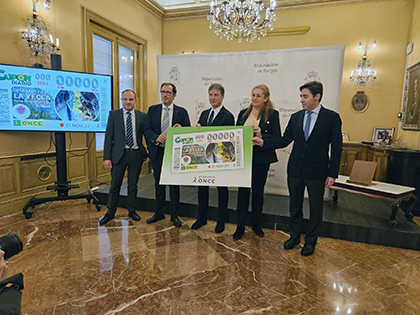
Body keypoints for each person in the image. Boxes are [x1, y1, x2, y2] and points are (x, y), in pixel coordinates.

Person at [252, 81, 342, 256]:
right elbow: (284, 140)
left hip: (317, 171)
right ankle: (294, 237)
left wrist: (333, 173)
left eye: (305, 96)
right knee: (295, 205)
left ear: (317, 96)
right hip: (295, 170)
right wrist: (263, 142)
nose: (301, 100)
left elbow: (337, 148)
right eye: (301, 96)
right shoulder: (296, 117)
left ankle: (310, 241)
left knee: (315, 208)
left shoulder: (331, 117)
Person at [233, 84, 281, 240]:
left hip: (261, 159)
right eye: (253, 94)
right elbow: (234, 135)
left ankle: (256, 225)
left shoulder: (273, 115)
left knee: (258, 194)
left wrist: (262, 135)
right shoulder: (242, 113)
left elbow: (277, 138)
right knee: (242, 194)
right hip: (243, 159)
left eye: (259, 95)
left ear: (266, 98)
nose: (254, 97)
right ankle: (240, 226)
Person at [144, 83, 191, 227]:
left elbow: (188, 132)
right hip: (158, 152)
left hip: (174, 154)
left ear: (174, 95)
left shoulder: (181, 112)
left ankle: (174, 215)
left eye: (168, 92)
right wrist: (156, 138)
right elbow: (146, 129)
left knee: (174, 186)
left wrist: (181, 130)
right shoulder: (153, 110)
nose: (165, 95)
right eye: (163, 92)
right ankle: (159, 213)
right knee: (159, 184)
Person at [100, 89, 149, 225]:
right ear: (121, 100)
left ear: (135, 101)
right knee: (115, 185)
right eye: (125, 99)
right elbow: (108, 137)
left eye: (131, 99)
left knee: (133, 185)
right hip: (118, 156)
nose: (128, 102)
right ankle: (110, 212)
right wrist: (107, 157)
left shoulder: (142, 116)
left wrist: (147, 154)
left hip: (135, 155)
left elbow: (146, 136)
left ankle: (132, 211)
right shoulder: (114, 114)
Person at [191, 83, 235, 233]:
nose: (213, 98)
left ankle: (221, 220)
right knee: (201, 189)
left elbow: (229, 140)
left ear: (222, 97)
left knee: (222, 190)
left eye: (216, 95)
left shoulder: (228, 116)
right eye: (211, 95)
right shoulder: (204, 114)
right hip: (204, 159)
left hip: (220, 160)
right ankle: (201, 218)